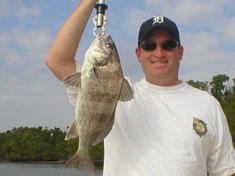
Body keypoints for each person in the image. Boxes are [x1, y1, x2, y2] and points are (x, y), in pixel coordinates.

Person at [45, 0, 235, 175]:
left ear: (180, 51)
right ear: (138, 53)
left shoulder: (208, 104)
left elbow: (225, 170)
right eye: (149, 45)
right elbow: (56, 60)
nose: (159, 52)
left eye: (168, 45)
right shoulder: (117, 94)